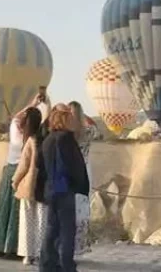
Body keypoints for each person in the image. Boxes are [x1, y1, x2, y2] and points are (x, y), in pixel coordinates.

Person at [0, 92, 45, 260]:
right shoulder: (36, 138)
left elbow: (16, 118)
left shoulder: (15, 129)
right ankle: (18, 247)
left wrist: (32, 103)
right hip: (26, 175)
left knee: (4, 210)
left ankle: (2, 245)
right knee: (19, 214)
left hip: (11, 172)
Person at [35, 103, 90, 272]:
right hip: (64, 189)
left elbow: (39, 164)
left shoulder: (48, 139)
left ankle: (47, 264)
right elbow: (74, 165)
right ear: (64, 120)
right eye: (70, 118)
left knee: (52, 229)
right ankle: (67, 266)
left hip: (50, 189)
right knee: (67, 231)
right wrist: (78, 183)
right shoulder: (66, 139)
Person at [12, 106, 46, 266]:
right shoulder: (46, 138)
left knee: (27, 220)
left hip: (29, 184)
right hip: (44, 185)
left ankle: (27, 254)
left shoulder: (31, 140)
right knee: (41, 220)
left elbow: (24, 165)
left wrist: (15, 180)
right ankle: (40, 253)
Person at [68, 101, 95, 257]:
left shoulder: (66, 133)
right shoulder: (89, 131)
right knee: (81, 210)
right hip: (85, 171)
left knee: (68, 209)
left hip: (70, 170)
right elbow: (95, 127)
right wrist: (83, 116)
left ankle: (65, 246)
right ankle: (78, 247)